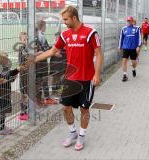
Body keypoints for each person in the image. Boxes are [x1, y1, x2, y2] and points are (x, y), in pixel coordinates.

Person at [34, 6, 103, 151]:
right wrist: (34, 59)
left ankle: (82, 136)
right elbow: (53, 51)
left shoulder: (90, 32)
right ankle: (72, 133)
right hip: (70, 79)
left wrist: (97, 74)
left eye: (66, 19)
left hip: (86, 79)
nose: (64, 22)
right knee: (66, 108)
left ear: (74, 18)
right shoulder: (65, 35)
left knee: (84, 109)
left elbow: (99, 54)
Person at [0, 52, 24, 135]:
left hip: (7, 91)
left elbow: (10, 75)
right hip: (2, 92)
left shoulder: (5, 68)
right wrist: (15, 73)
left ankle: (3, 126)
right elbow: (6, 78)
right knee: (2, 110)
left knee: (5, 109)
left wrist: (16, 71)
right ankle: (0, 128)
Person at [36, 20, 57, 106]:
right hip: (42, 62)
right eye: (45, 26)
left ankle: (40, 99)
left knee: (40, 81)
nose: (46, 28)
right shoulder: (41, 36)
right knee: (44, 80)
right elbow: (46, 49)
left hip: (38, 62)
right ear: (43, 26)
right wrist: (53, 49)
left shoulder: (36, 35)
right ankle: (46, 98)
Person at [119, 16, 141, 82]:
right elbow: (121, 38)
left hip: (133, 48)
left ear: (132, 21)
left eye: (130, 20)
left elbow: (139, 37)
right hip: (125, 47)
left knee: (134, 62)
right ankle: (124, 75)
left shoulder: (137, 28)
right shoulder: (123, 29)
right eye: (128, 21)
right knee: (124, 60)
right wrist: (120, 47)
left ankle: (134, 69)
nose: (129, 22)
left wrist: (138, 46)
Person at [18, 32, 29, 120]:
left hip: (29, 73)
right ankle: (22, 111)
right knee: (24, 93)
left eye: (27, 39)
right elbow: (23, 62)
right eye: (24, 40)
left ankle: (27, 110)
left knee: (28, 92)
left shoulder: (28, 48)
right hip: (23, 74)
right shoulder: (21, 49)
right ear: (20, 41)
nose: (26, 41)